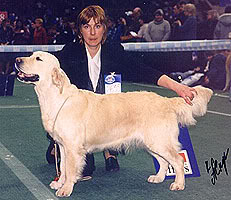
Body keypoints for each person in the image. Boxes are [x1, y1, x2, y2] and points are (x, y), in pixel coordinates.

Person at [47, 5, 196, 180]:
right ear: (80, 30)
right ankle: (60, 147)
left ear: (104, 29)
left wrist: (177, 87)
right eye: (87, 26)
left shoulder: (114, 51)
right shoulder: (70, 52)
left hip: (110, 116)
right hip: (81, 120)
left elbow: (143, 70)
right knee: (70, 164)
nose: (92, 33)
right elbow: (46, 64)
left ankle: (111, 151)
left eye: (98, 26)